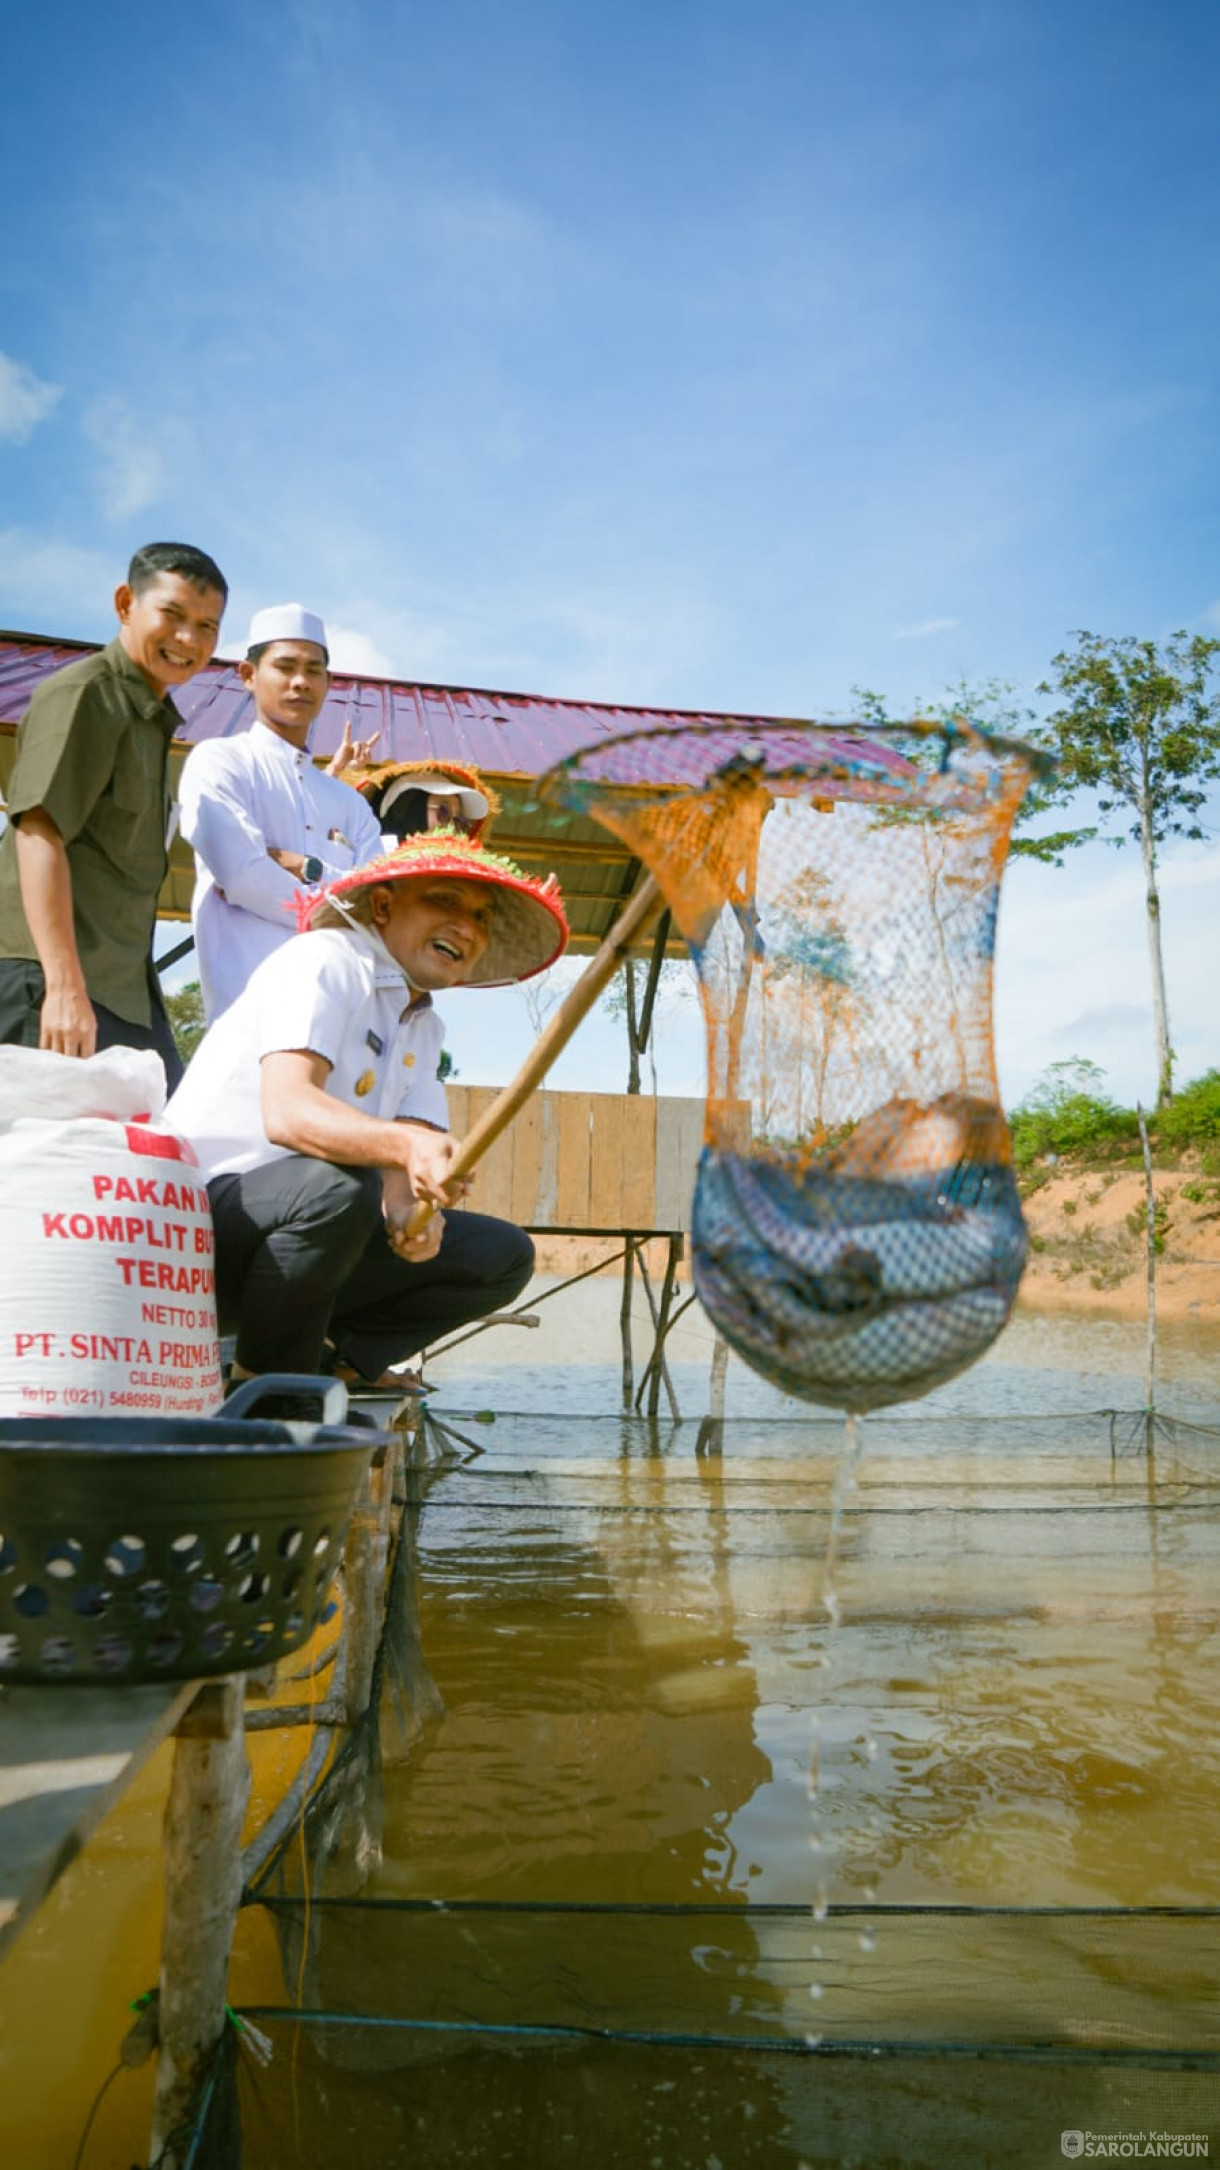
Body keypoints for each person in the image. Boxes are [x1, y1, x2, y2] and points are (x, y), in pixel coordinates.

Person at [164, 832, 569, 1402]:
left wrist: (413, 1222)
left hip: (310, 1234)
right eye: (446, 901)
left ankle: (336, 1361)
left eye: (482, 916)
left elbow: (402, 1181)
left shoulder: (425, 1026)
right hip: (199, 1234)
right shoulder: (325, 960)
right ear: (383, 906)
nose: (468, 928)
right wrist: (405, 1148)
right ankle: (269, 1397)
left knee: (500, 1256)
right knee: (338, 1186)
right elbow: (288, 1113)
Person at [0, 540, 228, 1089]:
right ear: (126, 604)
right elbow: (38, 832)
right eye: (172, 616)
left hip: (121, 993)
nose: (188, 640)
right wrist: (63, 987)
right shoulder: (86, 695)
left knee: (154, 1151)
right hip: (46, 985)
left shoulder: (150, 720)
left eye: (206, 626)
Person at [177, 603, 385, 1023]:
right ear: (249, 676)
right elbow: (244, 876)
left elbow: (380, 902)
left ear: (328, 683)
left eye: (313, 670)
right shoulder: (220, 762)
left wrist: (303, 865)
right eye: (285, 666)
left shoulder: (348, 803)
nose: (299, 682)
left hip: (340, 1015)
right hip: (249, 1013)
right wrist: (339, 891)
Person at [341, 757, 498, 849]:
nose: (451, 826)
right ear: (407, 808)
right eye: (444, 810)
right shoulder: (357, 862)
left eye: (460, 822)